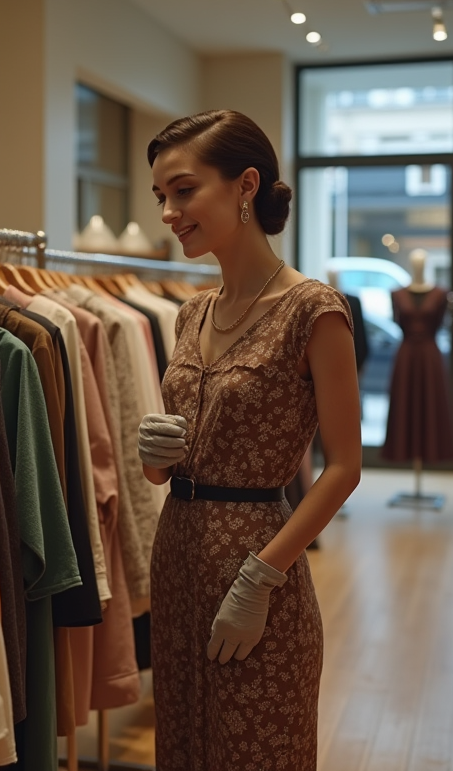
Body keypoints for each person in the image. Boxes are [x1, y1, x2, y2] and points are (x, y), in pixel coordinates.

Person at [138, 110, 362, 771]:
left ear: (245, 185)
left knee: (256, 746)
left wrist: (260, 579)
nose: (169, 213)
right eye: (161, 198)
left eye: (183, 191)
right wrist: (155, 460)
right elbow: (178, 461)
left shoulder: (313, 311)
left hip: (256, 561)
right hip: (175, 557)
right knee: (183, 745)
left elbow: (345, 467)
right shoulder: (191, 313)